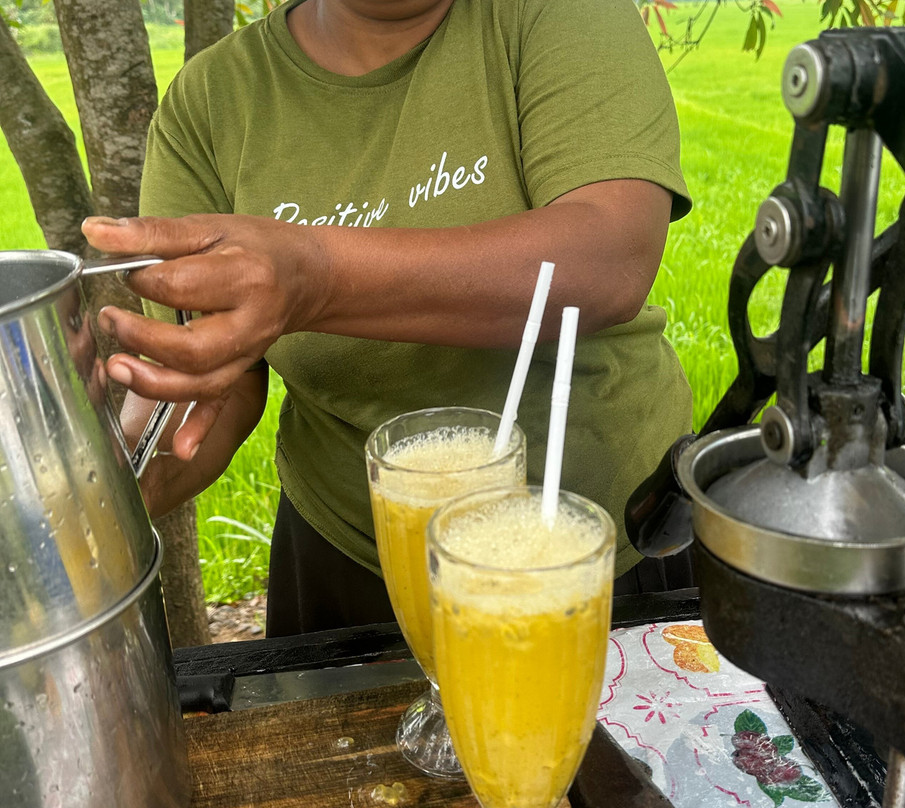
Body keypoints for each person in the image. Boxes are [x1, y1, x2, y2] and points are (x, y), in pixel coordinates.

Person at [81, 0, 694, 637]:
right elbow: (212, 377)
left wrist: (315, 276)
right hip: (348, 558)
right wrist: (99, 490)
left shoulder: (556, 15)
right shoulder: (211, 101)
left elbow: (608, 256)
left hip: (595, 544)